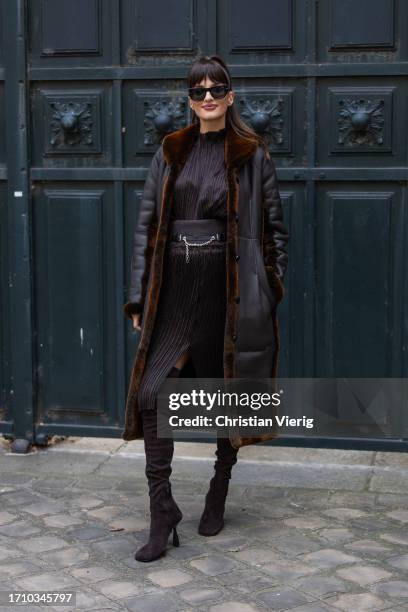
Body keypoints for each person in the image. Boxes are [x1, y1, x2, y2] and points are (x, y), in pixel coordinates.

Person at [123, 54, 289, 562]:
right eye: (198, 91)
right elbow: (146, 228)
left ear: (231, 96)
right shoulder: (170, 151)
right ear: (189, 100)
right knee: (153, 393)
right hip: (174, 291)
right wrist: (138, 293)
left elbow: (275, 233)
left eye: (217, 89)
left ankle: (220, 482)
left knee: (227, 395)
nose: (208, 97)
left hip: (228, 291)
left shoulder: (251, 154)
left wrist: (267, 288)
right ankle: (162, 512)